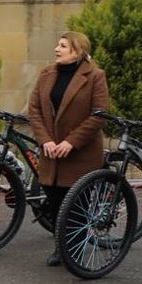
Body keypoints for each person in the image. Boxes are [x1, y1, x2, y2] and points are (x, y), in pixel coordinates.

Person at [26, 31, 111, 267]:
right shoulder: (47, 73)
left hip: (80, 153)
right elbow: (34, 109)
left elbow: (99, 114)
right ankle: (61, 246)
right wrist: (45, 140)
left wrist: (71, 142)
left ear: (78, 50)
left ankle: (73, 251)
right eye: (58, 44)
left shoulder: (95, 76)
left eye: (63, 46)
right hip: (51, 151)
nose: (57, 49)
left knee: (76, 204)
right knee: (54, 201)